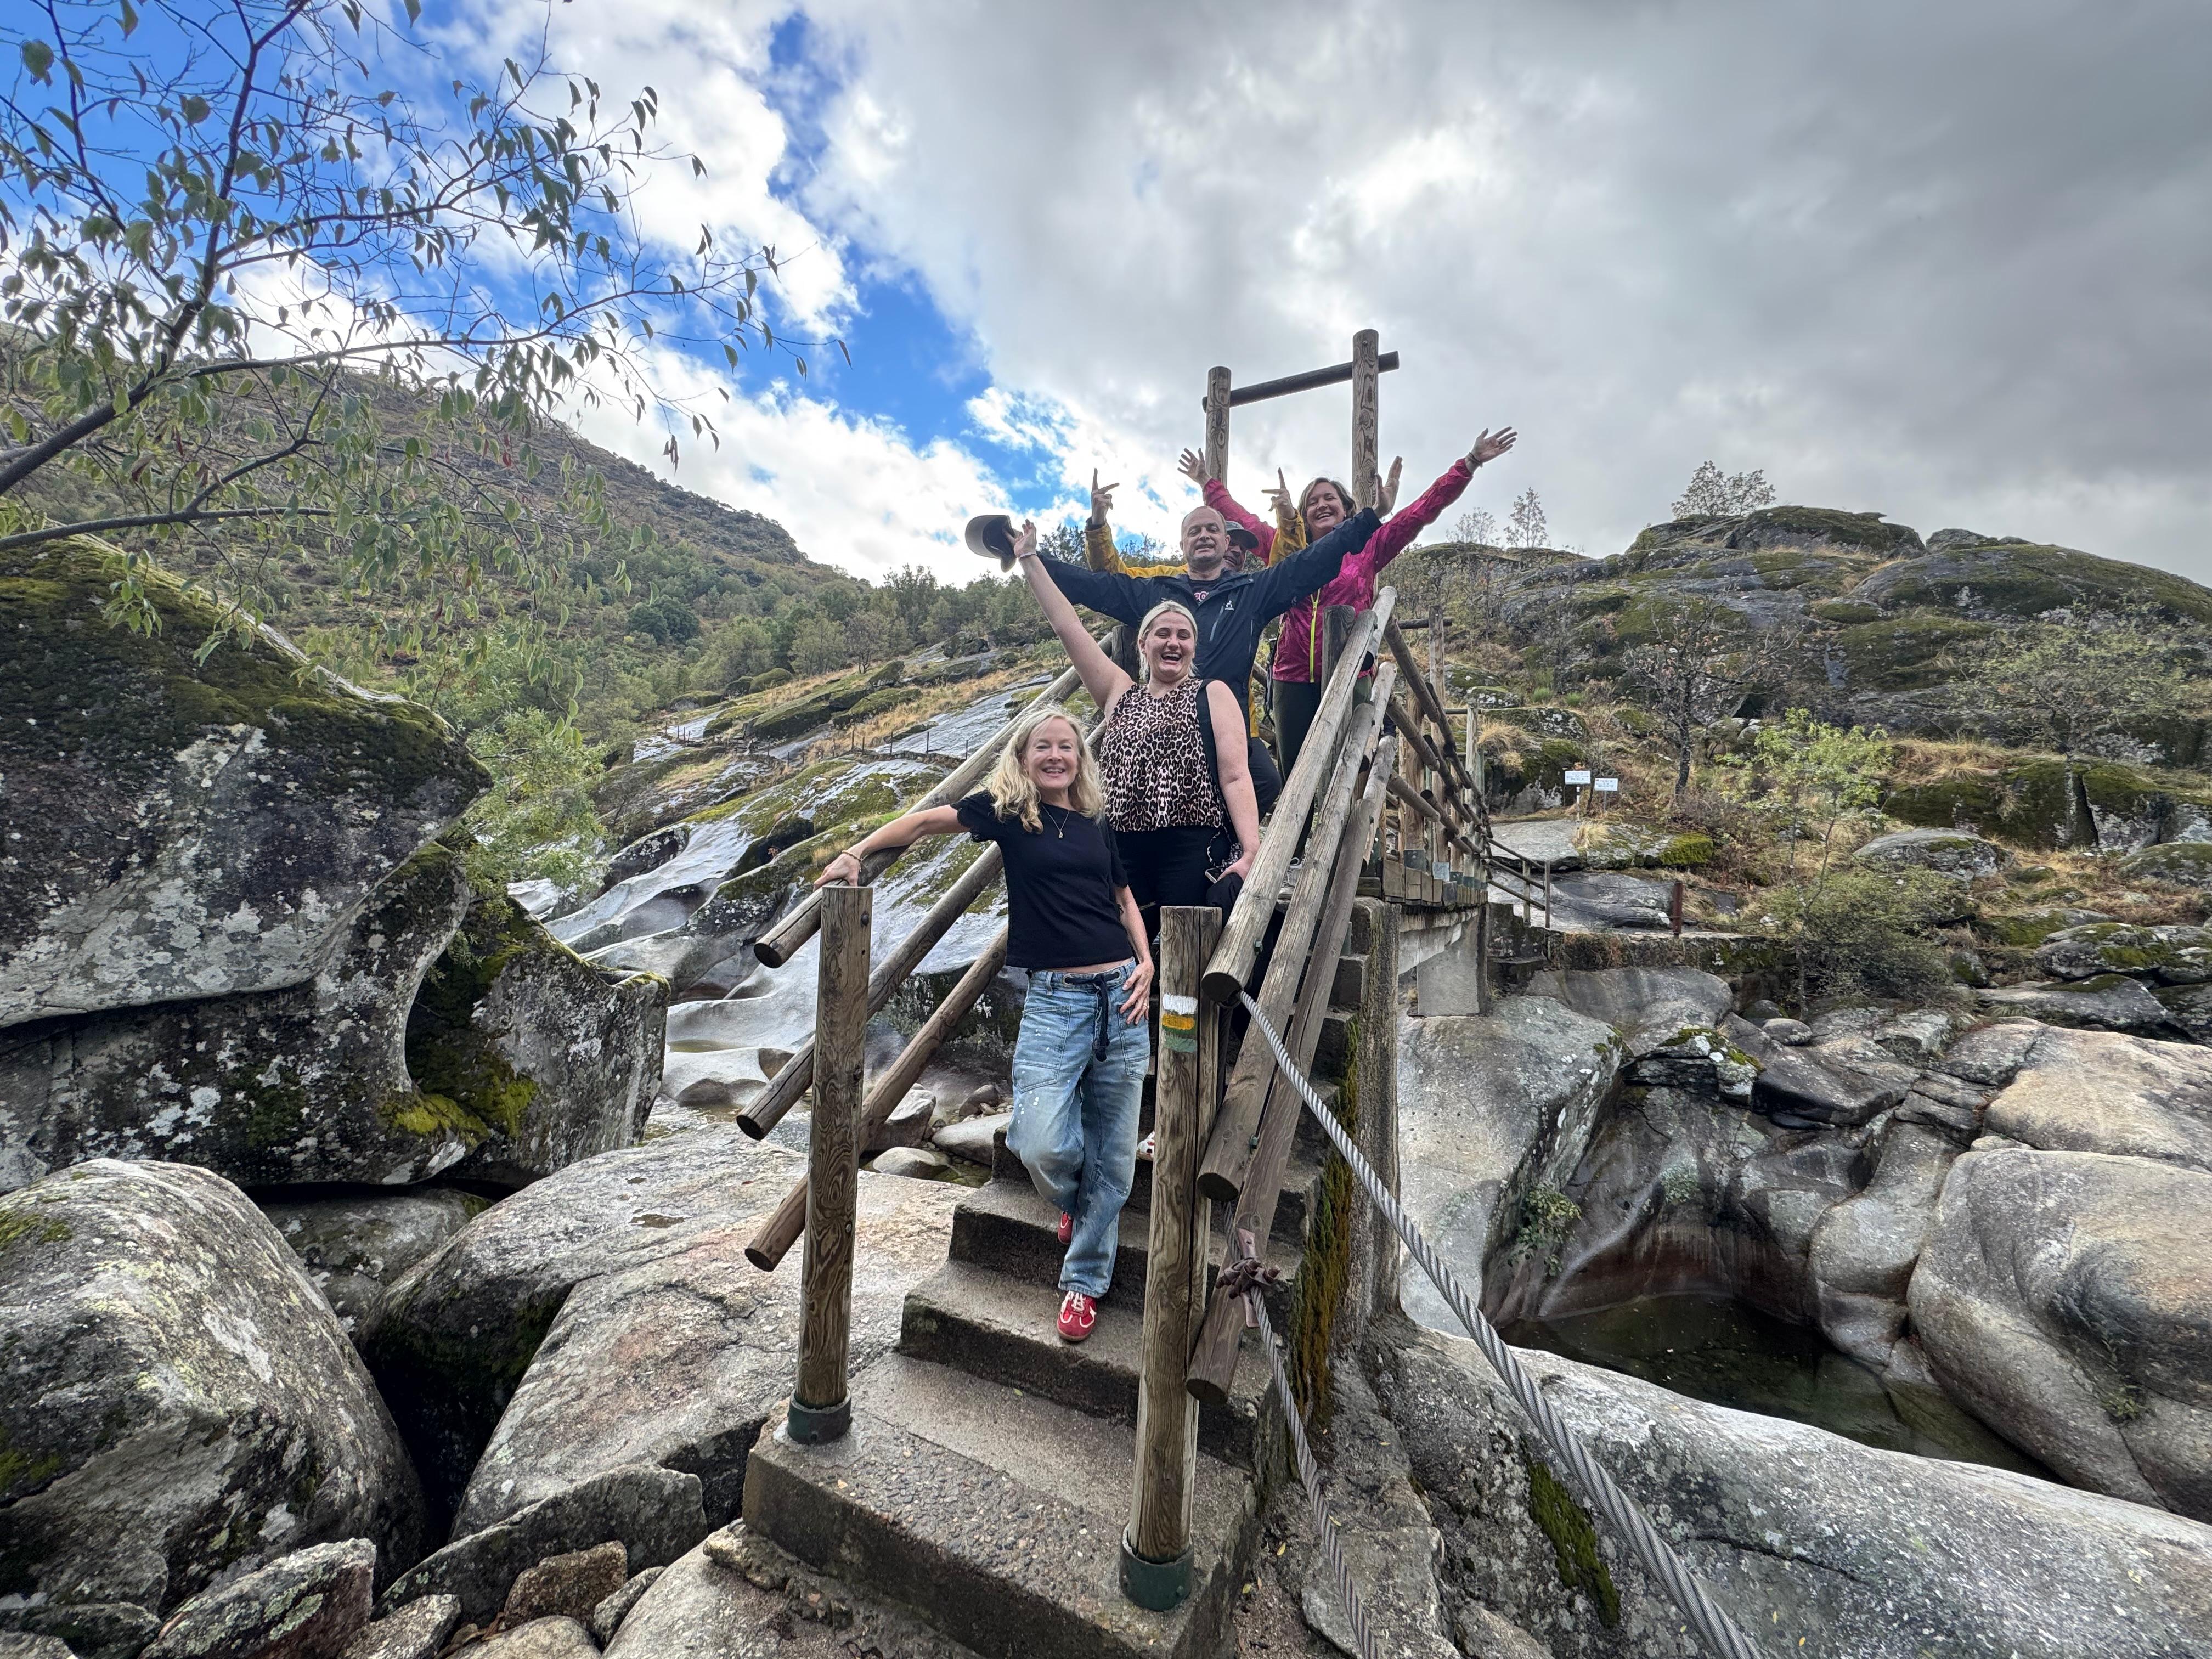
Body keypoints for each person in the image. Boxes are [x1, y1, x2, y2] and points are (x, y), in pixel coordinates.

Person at [815, 704, 1152, 1346]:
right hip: (1056, 1001)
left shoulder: (1095, 823)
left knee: (1114, 1153)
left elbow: (1123, 899)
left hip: (1123, 996)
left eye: (1066, 746)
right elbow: (921, 821)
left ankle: (1084, 1281)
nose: (1056, 756)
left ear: (1080, 757)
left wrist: (1148, 963)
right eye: (1043, 747)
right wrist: (856, 852)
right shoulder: (1008, 814)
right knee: (1039, 1140)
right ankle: (1078, 1203)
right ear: (1023, 758)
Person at [1028, 478, 1389, 810]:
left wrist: (1371, 517)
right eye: (1195, 531)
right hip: (1165, 730)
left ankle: (1224, 840)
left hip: (1227, 733)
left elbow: (1311, 562)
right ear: (1182, 544)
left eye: (1212, 529)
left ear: (1225, 541)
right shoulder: (1156, 591)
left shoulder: (1252, 592)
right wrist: (1028, 555)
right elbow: (1091, 586)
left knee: (1265, 783)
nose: (1204, 535)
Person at [1180, 428, 1519, 778]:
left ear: (1346, 510)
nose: (1321, 505)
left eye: (1330, 499)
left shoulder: (1370, 546)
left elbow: (1419, 513)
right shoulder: (1286, 547)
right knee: (1295, 774)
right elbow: (1243, 519)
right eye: (1312, 501)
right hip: (1291, 678)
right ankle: (1298, 836)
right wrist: (1207, 481)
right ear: (1304, 514)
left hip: (1349, 672)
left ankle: (1352, 833)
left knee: (1347, 774)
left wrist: (1470, 462)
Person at [1007, 517, 1262, 921]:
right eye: (1162, 633)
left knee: (1186, 950)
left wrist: (1251, 851)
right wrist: (1029, 560)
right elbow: (1066, 625)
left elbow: (1235, 776)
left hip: (1191, 845)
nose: (1173, 642)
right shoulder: (1119, 692)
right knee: (1126, 953)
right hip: (1121, 847)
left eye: (1184, 635)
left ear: (1194, 646)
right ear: (1143, 643)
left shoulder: (1213, 693)